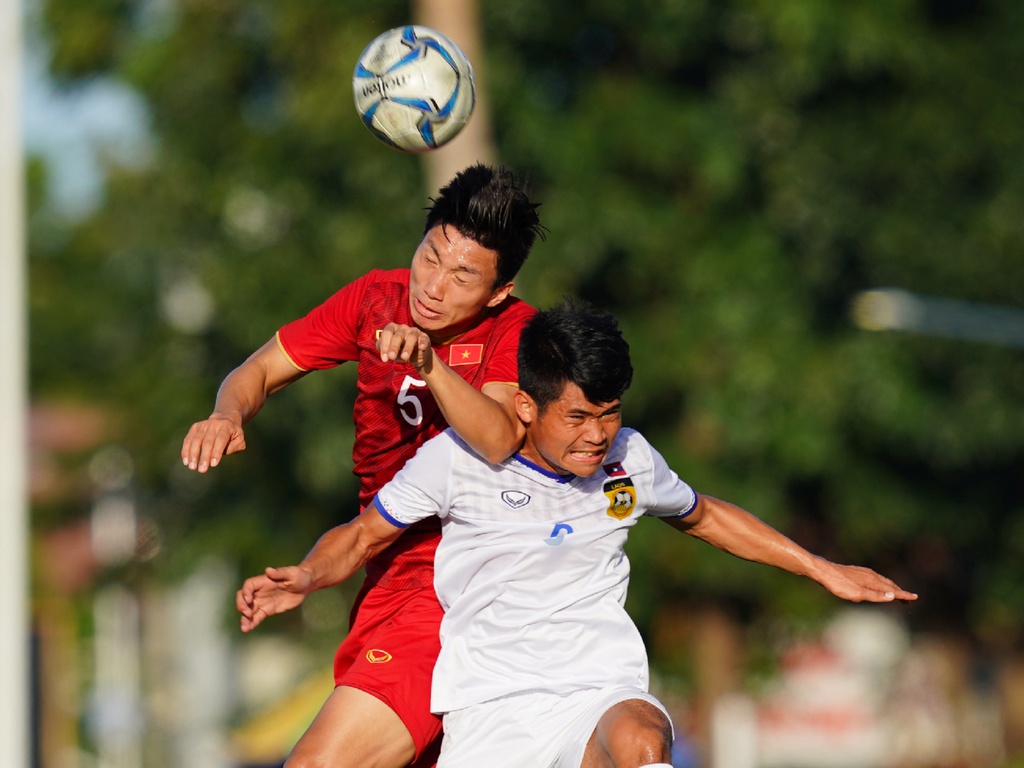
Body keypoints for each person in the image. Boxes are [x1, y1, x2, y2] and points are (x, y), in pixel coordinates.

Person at [236, 299, 918, 768]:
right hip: (491, 709)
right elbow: (359, 537)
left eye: (610, 414)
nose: (597, 435)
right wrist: (305, 575)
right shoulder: (455, 462)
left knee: (644, 744)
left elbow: (705, 515)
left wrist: (821, 567)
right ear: (527, 407)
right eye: (580, 417)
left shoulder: (631, 459)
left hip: (597, 687)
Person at [181, 164, 545, 768]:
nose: (433, 285)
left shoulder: (518, 330)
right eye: (429, 257)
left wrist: (431, 364)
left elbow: (500, 436)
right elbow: (258, 370)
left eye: (462, 276)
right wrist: (227, 415)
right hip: (381, 575)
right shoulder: (374, 297)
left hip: (459, 586)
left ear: (498, 291)